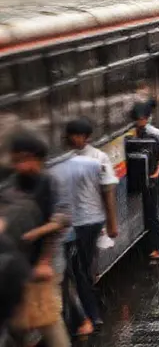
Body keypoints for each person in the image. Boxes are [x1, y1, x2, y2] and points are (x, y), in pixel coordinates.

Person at [3, 131, 71, 347]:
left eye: (26, 159)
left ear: (38, 158)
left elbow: (61, 220)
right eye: (17, 160)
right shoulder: (11, 185)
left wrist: (43, 260)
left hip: (46, 268)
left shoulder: (50, 183)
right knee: (17, 324)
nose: (21, 165)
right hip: (16, 266)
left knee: (49, 323)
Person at [54, 119, 119, 330]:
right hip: (69, 223)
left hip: (90, 221)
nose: (73, 139)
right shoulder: (63, 161)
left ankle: (89, 315)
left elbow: (107, 191)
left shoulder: (98, 158)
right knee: (73, 270)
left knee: (81, 270)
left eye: (76, 135)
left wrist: (111, 222)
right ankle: (85, 314)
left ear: (86, 137)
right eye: (70, 135)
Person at [130, 103, 159, 260]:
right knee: (148, 212)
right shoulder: (137, 132)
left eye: (140, 119)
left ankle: (158, 247)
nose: (137, 121)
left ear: (145, 119)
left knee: (152, 214)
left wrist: (157, 172)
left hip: (155, 178)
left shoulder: (155, 133)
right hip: (146, 176)